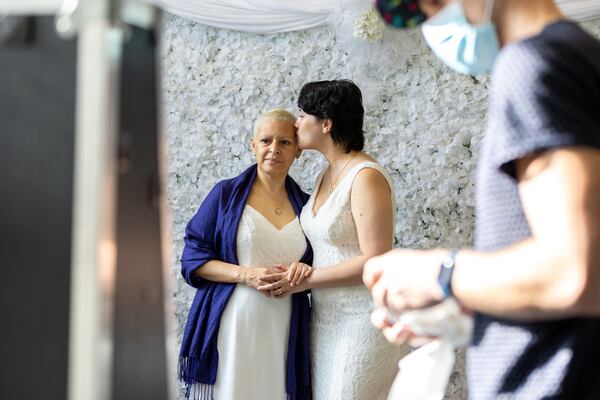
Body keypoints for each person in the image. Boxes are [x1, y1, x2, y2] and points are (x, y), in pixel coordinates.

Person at [366, 0, 600, 398]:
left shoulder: (533, 63)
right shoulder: (582, 55)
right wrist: (465, 303)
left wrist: (439, 272)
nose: (433, 19)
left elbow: (575, 273)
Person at [258, 80, 409, 399]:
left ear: (326, 124)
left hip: (364, 318)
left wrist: (306, 281)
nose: (296, 124)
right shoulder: (324, 175)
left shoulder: (366, 177)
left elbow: (375, 259)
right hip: (324, 319)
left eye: (302, 115)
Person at [178, 109, 314, 400]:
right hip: (235, 324)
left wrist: (304, 273)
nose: (274, 149)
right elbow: (192, 258)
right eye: (266, 140)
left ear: (298, 150)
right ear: (253, 145)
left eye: (285, 142)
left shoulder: (308, 207)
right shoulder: (225, 195)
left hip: (284, 328)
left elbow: (320, 265)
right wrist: (247, 274)